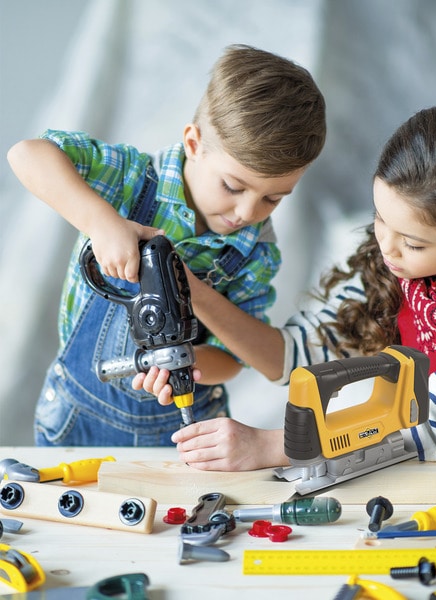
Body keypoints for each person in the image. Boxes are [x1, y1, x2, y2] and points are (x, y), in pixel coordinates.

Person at [136, 106, 436, 470]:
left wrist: (272, 445)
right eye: (379, 218)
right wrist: (188, 289)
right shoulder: (393, 259)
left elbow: (435, 426)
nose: (387, 250)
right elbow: (295, 353)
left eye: (413, 243)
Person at [7, 44, 326, 446]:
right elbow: (28, 154)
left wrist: (185, 361)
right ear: (194, 143)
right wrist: (102, 223)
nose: (247, 211)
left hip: (177, 433)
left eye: (273, 198)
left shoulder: (253, 252)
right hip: (75, 419)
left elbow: (233, 361)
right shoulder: (130, 180)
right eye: (233, 186)